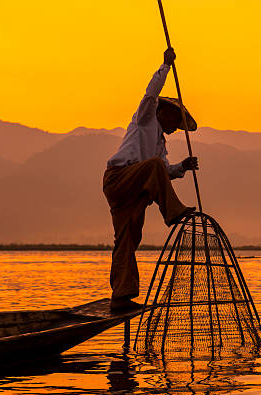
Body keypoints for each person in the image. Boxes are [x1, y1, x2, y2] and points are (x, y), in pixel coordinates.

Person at [103, 48, 198, 311]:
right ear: (163, 113)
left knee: (127, 240)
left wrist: (183, 167)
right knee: (154, 166)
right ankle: (173, 213)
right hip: (119, 179)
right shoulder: (145, 119)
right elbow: (151, 93)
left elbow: (164, 171)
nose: (175, 128)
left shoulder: (159, 146)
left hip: (133, 192)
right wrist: (166, 65)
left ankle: (121, 296)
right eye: (174, 122)